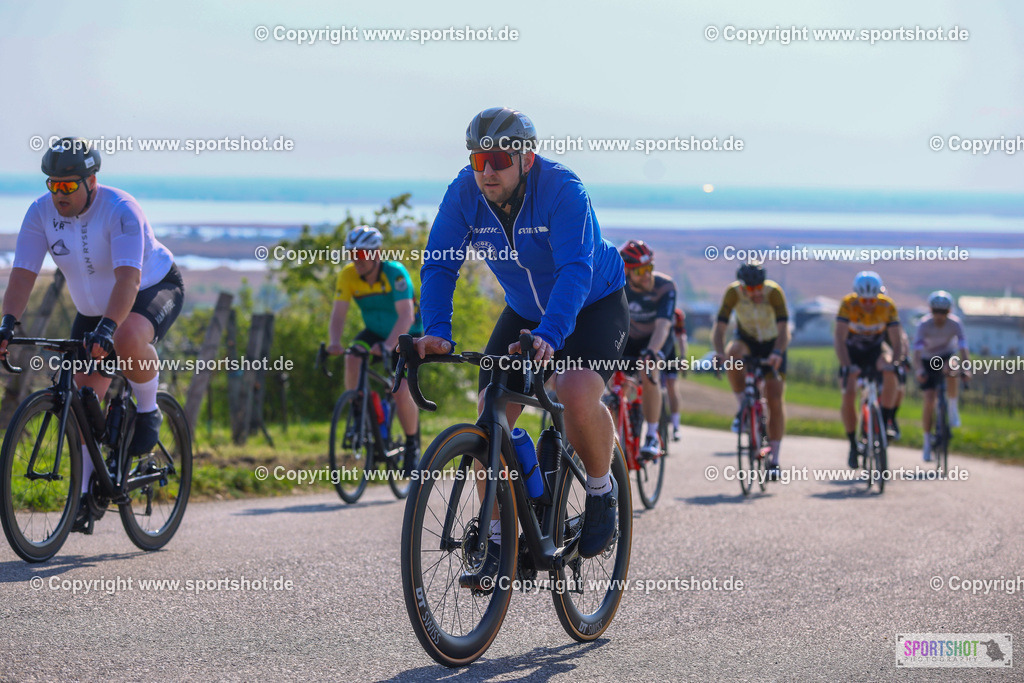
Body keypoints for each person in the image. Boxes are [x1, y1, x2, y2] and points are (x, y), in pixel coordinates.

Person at [416, 107, 628, 587]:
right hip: (526, 311)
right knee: (491, 410)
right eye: (477, 159)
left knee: (574, 391)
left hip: (592, 301)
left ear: (525, 158)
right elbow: (440, 263)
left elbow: (576, 268)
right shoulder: (464, 193)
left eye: (498, 159)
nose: (487, 170)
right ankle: (496, 541)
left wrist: (553, 335)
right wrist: (437, 329)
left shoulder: (563, 189)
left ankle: (601, 490)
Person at [0, 137, 184, 533]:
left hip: (150, 288)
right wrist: (7, 324)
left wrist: (108, 327)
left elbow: (128, 279)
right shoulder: (40, 213)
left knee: (127, 336)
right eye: (53, 184)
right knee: (84, 401)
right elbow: (23, 274)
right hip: (92, 310)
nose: (58, 193)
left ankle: (149, 408)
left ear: (91, 181)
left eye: (68, 185)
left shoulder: (120, 210)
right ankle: (85, 497)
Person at [327, 226, 423, 473]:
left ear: (376, 253)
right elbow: (338, 315)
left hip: (406, 333)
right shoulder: (347, 276)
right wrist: (334, 342)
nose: (356, 260)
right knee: (352, 357)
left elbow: (406, 316)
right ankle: (359, 412)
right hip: (374, 332)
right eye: (351, 254)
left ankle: (412, 444)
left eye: (361, 254)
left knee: (400, 389)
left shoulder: (396, 273)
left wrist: (389, 346)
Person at [713, 261, 789, 478]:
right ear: (742, 286)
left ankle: (774, 459)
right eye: (749, 289)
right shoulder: (733, 293)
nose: (754, 293)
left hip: (772, 342)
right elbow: (720, 328)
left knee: (774, 399)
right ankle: (742, 408)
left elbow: (784, 328)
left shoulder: (773, 292)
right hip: (747, 340)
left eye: (758, 288)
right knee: (733, 353)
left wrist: (777, 353)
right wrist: (719, 352)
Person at [834, 271, 904, 468]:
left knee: (890, 370)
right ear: (857, 295)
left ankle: (886, 420)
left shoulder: (887, 305)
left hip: (876, 350)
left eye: (872, 300)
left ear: (879, 295)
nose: (868, 304)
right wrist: (848, 365)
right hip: (853, 352)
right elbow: (839, 339)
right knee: (848, 393)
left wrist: (896, 363)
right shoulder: (848, 304)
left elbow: (897, 341)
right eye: (863, 300)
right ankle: (852, 444)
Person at [620, 240, 676, 457]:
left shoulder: (665, 286)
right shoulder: (619, 286)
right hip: (630, 340)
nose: (647, 275)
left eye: (649, 267)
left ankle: (652, 435)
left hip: (656, 339)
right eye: (641, 270)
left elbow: (663, 325)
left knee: (648, 369)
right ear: (628, 272)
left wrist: (652, 351)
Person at [913, 290, 971, 461]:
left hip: (946, 356)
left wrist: (966, 369)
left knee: (953, 365)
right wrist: (919, 370)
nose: (939, 315)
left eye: (943, 311)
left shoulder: (955, 324)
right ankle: (926, 442)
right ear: (931, 310)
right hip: (927, 359)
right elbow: (916, 352)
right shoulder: (924, 325)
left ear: (949, 311)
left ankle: (952, 408)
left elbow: (963, 349)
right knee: (929, 400)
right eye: (936, 311)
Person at [665, 307, 688, 441]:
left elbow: (681, 337)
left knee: (672, 386)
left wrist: (683, 357)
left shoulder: (677, 314)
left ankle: (675, 425)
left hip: (669, 353)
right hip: (650, 350)